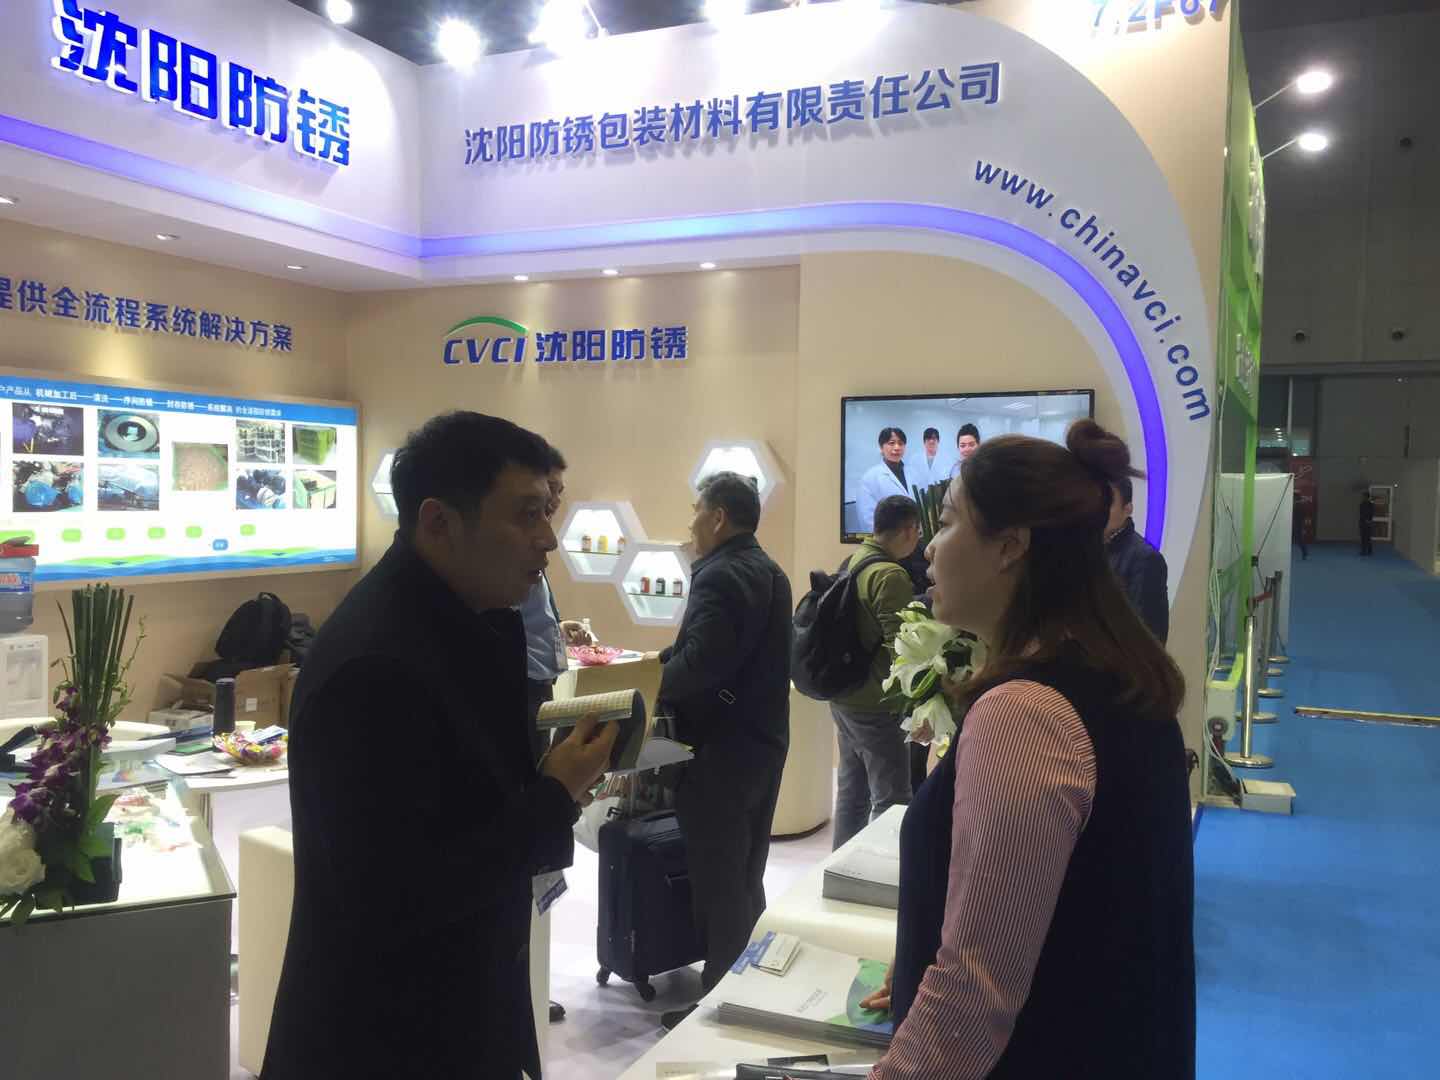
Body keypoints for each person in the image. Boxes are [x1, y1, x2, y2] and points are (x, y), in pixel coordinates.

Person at [262, 412, 618, 1080]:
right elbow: (399, 894)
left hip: (461, 1015)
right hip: (385, 1041)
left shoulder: (469, 623)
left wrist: (550, 777)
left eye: (548, 512)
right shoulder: (374, 664)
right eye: (527, 515)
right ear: (439, 522)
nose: (548, 539)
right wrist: (554, 793)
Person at [861, 419, 1194, 1079]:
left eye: (947, 523)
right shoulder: (1117, 679)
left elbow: (973, 994)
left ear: (1011, 546)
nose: (930, 548)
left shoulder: (1027, 714)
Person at [654, 471, 793, 1029]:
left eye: (696, 511)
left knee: (720, 878)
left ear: (717, 517)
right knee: (745, 869)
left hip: (720, 750)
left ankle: (717, 1001)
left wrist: (648, 681)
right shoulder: (770, 570)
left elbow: (699, 665)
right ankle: (748, 982)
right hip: (763, 742)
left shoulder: (719, 576)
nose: (691, 524)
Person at [516, 444, 598, 1026]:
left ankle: (529, 979)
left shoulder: (531, 555)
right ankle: (523, 983)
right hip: (521, 694)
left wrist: (557, 632)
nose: (554, 509)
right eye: (549, 493)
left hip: (538, 689)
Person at [829, 495, 922, 849]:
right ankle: (879, 873)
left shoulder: (854, 560)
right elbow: (902, 648)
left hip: (844, 696)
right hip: (876, 703)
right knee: (892, 799)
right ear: (909, 530)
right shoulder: (890, 575)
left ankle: (838, 866)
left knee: (851, 793)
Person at [1104, 472, 1169, 643]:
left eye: (1108, 503)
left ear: (1127, 509)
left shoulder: (1145, 559)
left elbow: (1148, 636)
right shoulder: (1088, 552)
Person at [858, 427, 912, 533]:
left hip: (914, 536)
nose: (897, 447)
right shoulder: (870, 478)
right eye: (891, 443)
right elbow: (867, 520)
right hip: (888, 539)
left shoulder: (913, 473)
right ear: (881, 447)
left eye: (901, 443)